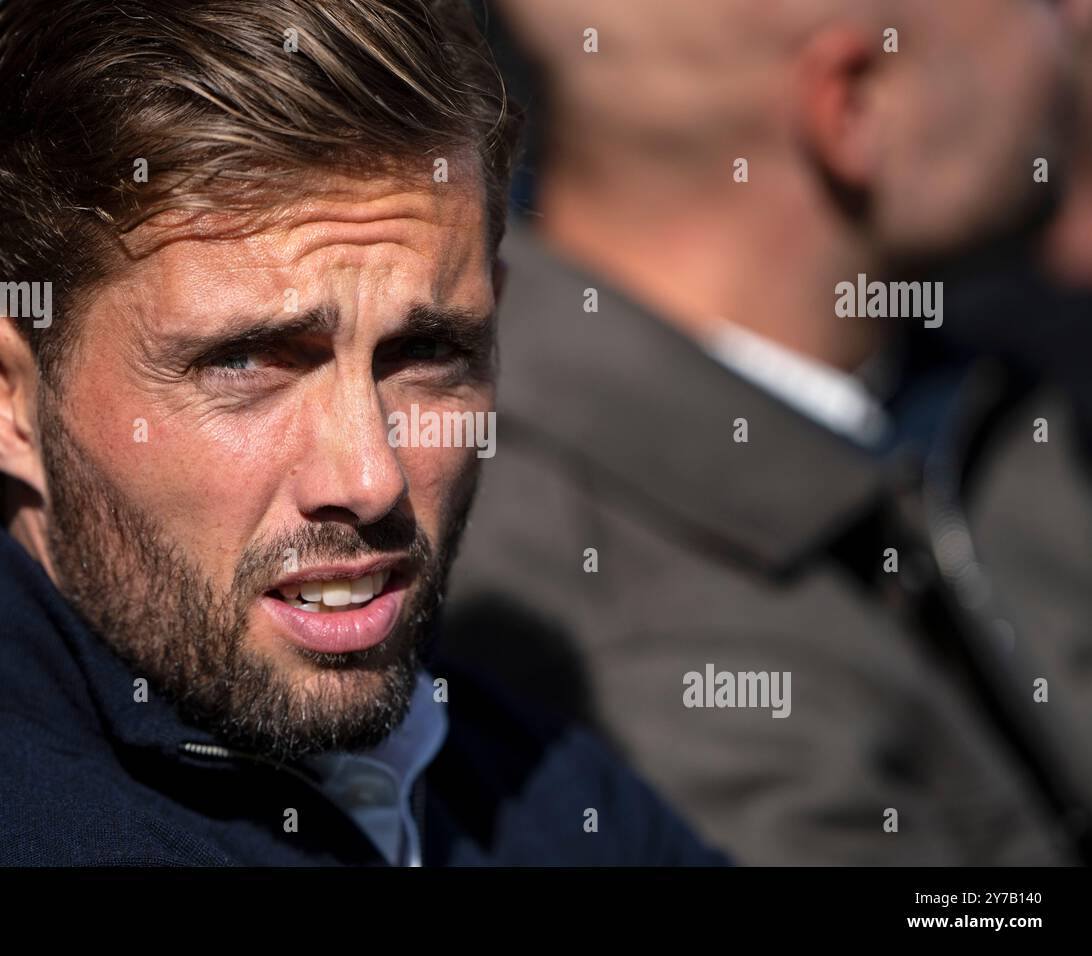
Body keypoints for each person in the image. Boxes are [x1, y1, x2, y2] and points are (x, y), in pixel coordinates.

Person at [0, 0, 725, 867]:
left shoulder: (518, 770)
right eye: (246, 364)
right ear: (0, 393)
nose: (369, 477)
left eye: (428, 352)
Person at [441, 0, 1092, 864]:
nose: (1080, 21)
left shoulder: (970, 386)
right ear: (855, 108)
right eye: (1040, 5)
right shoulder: (625, 667)